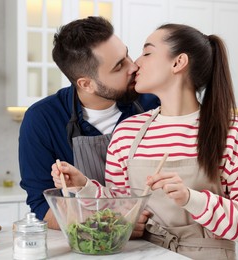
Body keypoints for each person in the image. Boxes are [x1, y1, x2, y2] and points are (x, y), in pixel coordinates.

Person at [52, 23, 238, 259]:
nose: (136, 63)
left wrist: (191, 199)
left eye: (147, 53)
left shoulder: (234, 132)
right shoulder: (127, 132)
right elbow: (122, 209)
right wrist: (83, 186)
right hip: (144, 253)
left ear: (178, 63)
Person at [18, 16, 159, 230]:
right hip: (87, 244)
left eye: (127, 54)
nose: (134, 66)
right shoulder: (42, 119)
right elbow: (43, 206)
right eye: (119, 66)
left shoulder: (153, 104)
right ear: (86, 84)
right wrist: (114, 226)